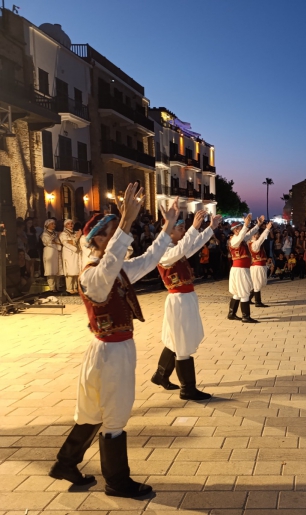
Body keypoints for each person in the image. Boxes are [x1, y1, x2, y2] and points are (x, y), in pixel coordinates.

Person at [49, 185, 179, 498]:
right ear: (94, 239)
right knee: (115, 414)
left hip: (109, 351)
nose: (114, 238)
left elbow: (148, 261)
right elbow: (108, 267)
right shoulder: (93, 274)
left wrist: (167, 228)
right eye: (107, 233)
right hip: (109, 352)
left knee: (93, 412)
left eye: (114, 232)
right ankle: (118, 482)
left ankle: (66, 462)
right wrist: (126, 223)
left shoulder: (115, 270)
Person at [151, 209, 221, 401]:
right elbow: (182, 249)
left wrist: (209, 229)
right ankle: (187, 388)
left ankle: (160, 375)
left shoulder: (173, 248)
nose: (183, 232)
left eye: (183, 228)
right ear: (169, 231)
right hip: (178, 299)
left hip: (185, 298)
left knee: (177, 338)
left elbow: (192, 245)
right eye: (180, 228)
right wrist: (194, 228)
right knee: (182, 341)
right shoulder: (164, 251)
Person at [226, 214, 264, 323]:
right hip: (240, 269)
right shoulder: (234, 240)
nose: (240, 230)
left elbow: (249, 233)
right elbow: (244, 233)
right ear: (235, 230)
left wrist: (258, 225)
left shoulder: (240, 239)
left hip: (240, 269)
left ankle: (232, 313)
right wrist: (245, 225)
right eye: (238, 228)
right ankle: (245, 316)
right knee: (245, 292)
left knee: (238, 292)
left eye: (240, 228)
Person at [249, 222, 273, 307]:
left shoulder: (251, 243)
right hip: (257, 266)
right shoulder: (254, 244)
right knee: (257, 284)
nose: (258, 236)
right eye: (256, 234)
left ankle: (249, 299)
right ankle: (257, 302)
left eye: (258, 234)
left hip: (257, 265)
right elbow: (262, 239)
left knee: (257, 283)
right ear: (253, 236)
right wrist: (267, 229)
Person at [60, 219, 82, 294]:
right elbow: (66, 243)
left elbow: (75, 241)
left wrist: (76, 240)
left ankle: (75, 287)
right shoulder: (63, 234)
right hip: (69, 253)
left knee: (76, 271)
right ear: (65, 225)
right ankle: (69, 288)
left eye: (72, 223)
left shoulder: (75, 233)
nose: (71, 225)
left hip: (76, 254)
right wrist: (76, 240)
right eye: (68, 224)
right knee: (70, 271)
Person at [41, 219, 62, 292]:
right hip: (49, 252)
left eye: (54, 224)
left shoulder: (55, 233)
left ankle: (57, 286)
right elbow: (48, 242)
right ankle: (52, 287)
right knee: (50, 270)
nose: (54, 225)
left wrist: (56, 242)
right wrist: (55, 241)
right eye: (52, 224)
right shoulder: (45, 234)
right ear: (47, 225)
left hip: (56, 252)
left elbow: (58, 242)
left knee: (57, 270)